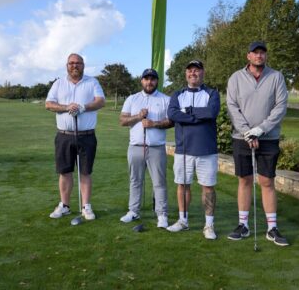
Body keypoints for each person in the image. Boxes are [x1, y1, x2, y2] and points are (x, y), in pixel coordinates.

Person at [226, 41, 289, 246]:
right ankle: (243, 225)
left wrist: (261, 129)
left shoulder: (276, 77)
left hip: (268, 138)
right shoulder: (236, 78)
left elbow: (280, 107)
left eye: (262, 53)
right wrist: (247, 132)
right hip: (241, 138)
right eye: (255, 53)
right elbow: (232, 106)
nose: (259, 56)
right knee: (244, 180)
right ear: (248, 56)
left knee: (267, 181)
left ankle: (272, 228)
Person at [45, 53, 105, 221]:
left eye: (78, 63)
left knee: (85, 172)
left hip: (86, 135)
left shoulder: (92, 82)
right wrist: (66, 107)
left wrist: (82, 107)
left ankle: (86, 206)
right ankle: (64, 205)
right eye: (71, 63)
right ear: (67, 66)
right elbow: (49, 104)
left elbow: (100, 101)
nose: (75, 66)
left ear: (83, 65)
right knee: (65, 172)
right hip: (64, 135)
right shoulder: (59, 83)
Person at [166, 60, 220, 239]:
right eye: (190, 71)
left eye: (196, 70)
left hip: (206, 149)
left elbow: (211, 112)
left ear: (202, 73)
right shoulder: (177, 94)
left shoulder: (212, 93)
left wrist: (187, 113)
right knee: (183, 185)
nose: (193, 73)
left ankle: (209, 225)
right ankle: (183, 220)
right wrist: (197, 115)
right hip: (183, 149)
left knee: (208, 187)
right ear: (185, 74)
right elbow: (173, 114)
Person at [119, 68, 173, 228]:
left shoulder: (165, 99)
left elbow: (171, 121)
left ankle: (162, 214)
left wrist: (153, 124)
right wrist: (138, 116)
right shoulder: (132, 99)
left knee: (159, 182)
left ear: (157, 81)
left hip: (156, 148)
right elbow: (122, 121)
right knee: (135, 180)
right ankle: (133, 211)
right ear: (141, 81)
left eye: (153, 79)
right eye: (146, 79)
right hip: (135, 147)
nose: (149, 82)